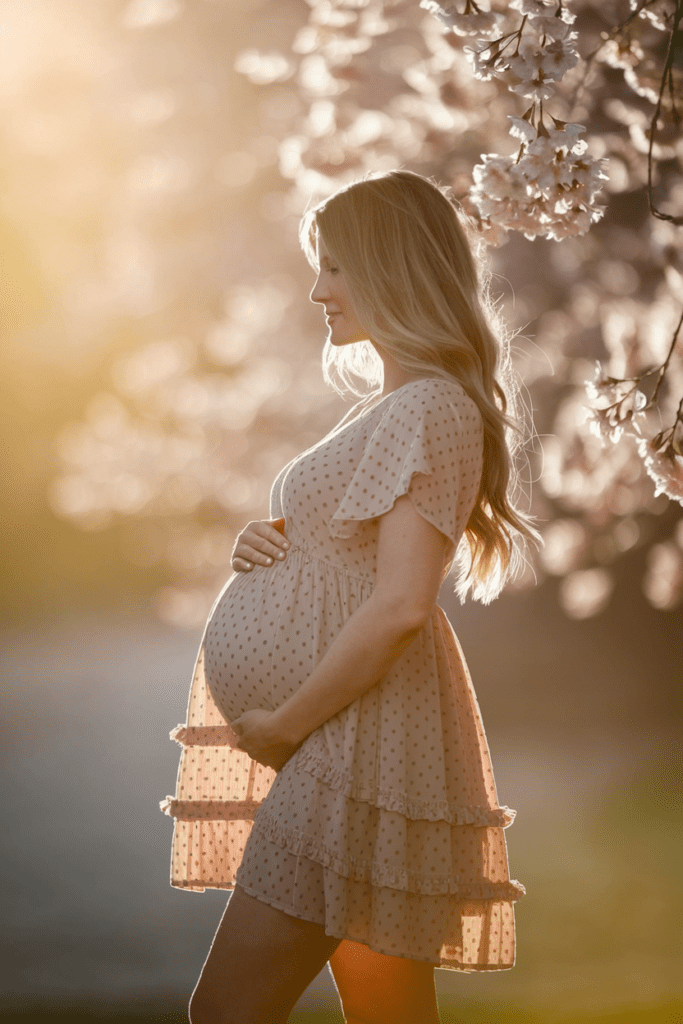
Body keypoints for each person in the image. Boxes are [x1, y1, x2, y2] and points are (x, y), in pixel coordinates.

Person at [161, 168, 540, 1024]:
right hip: (348, 739)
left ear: (389, 267)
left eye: (334, 267)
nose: (315, 290)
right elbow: (346, 554)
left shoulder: (432, 407)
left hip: (353, 743)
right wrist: (263, 545)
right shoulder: (395, 406)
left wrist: (287, 722)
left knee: (225, 1011)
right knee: (389, 1016)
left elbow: (402, 603)